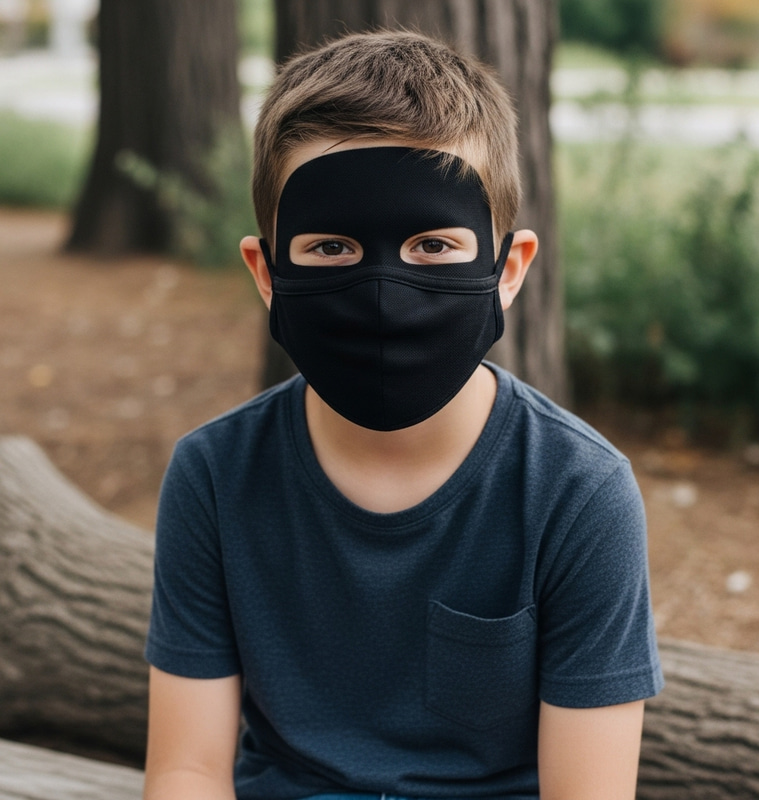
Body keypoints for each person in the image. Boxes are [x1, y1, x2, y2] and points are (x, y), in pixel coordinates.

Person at [143, 29, 663, 800]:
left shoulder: (578, 490)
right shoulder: (216, 475)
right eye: (331, 248)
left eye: (432, 243)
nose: (384, 294)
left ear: (508, 269)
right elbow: (186, 769)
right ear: (267, 273)